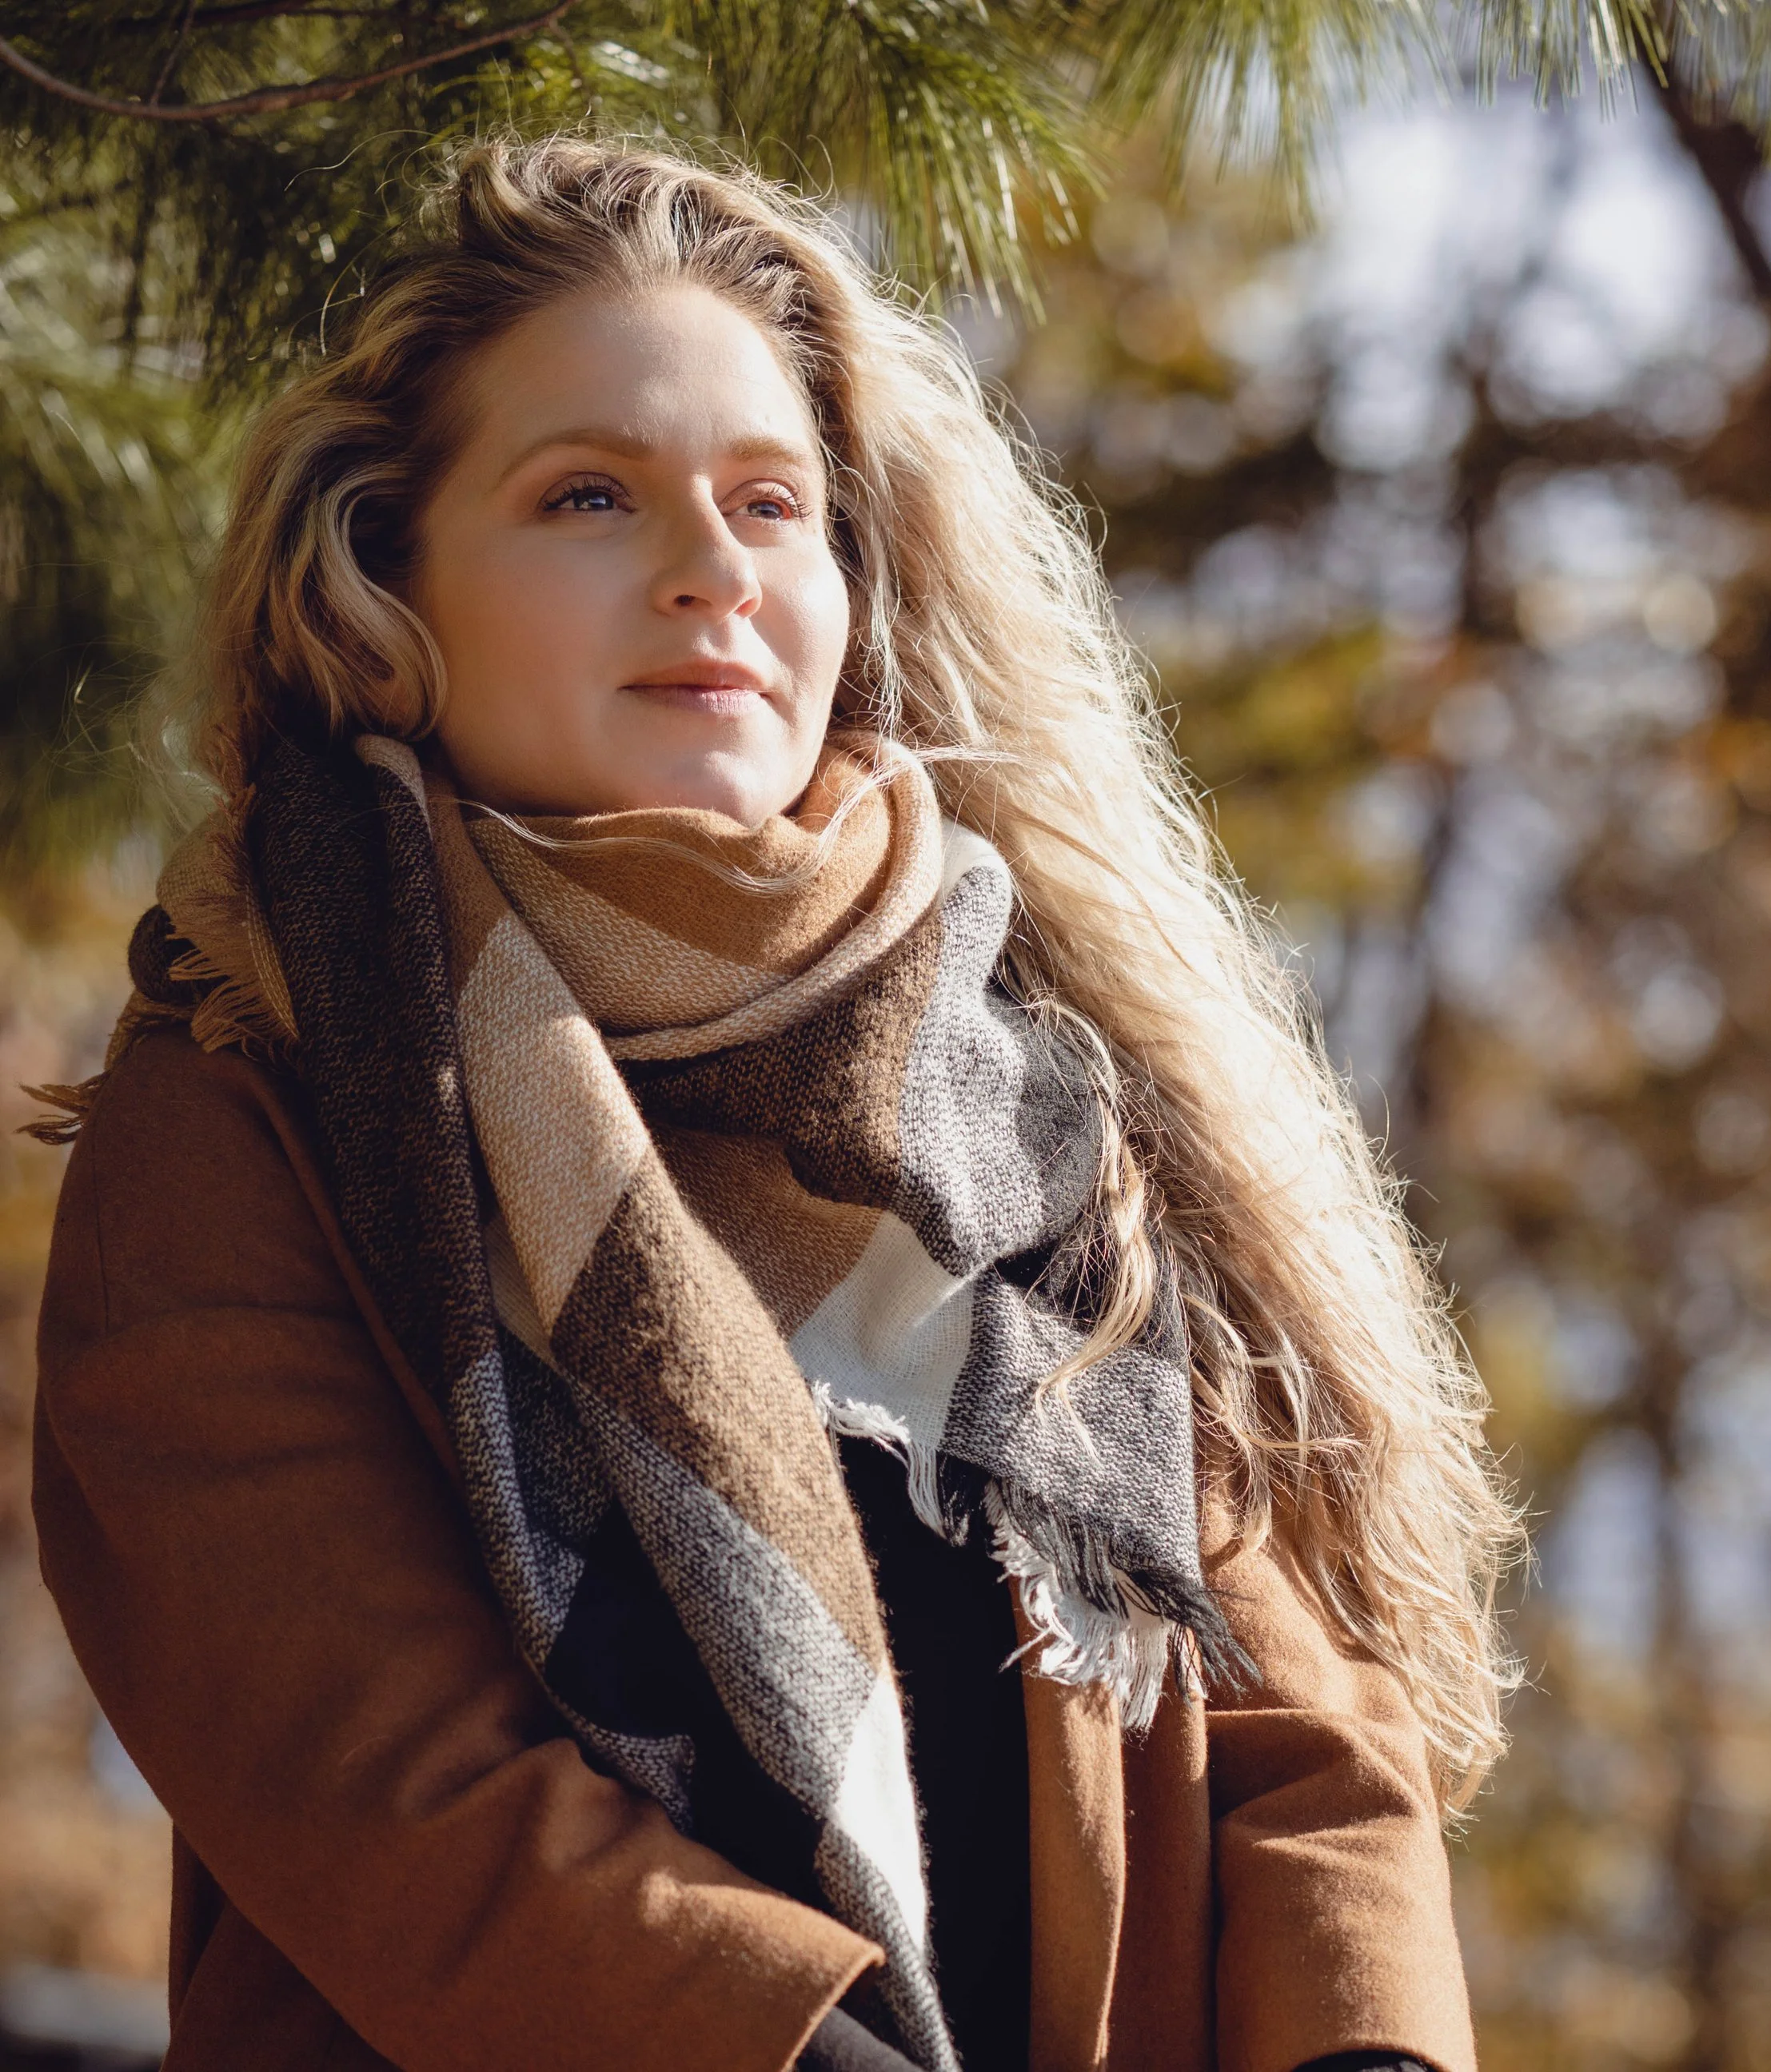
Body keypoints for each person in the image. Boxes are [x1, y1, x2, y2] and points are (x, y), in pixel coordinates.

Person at [30, 137, 1518, 2072]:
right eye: (587, 494)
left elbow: (1292, 1729)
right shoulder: (248, 1105)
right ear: (384, 584)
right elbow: (388, 1788)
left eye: (769, 504)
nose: (708, 569)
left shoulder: (1029, 1101)